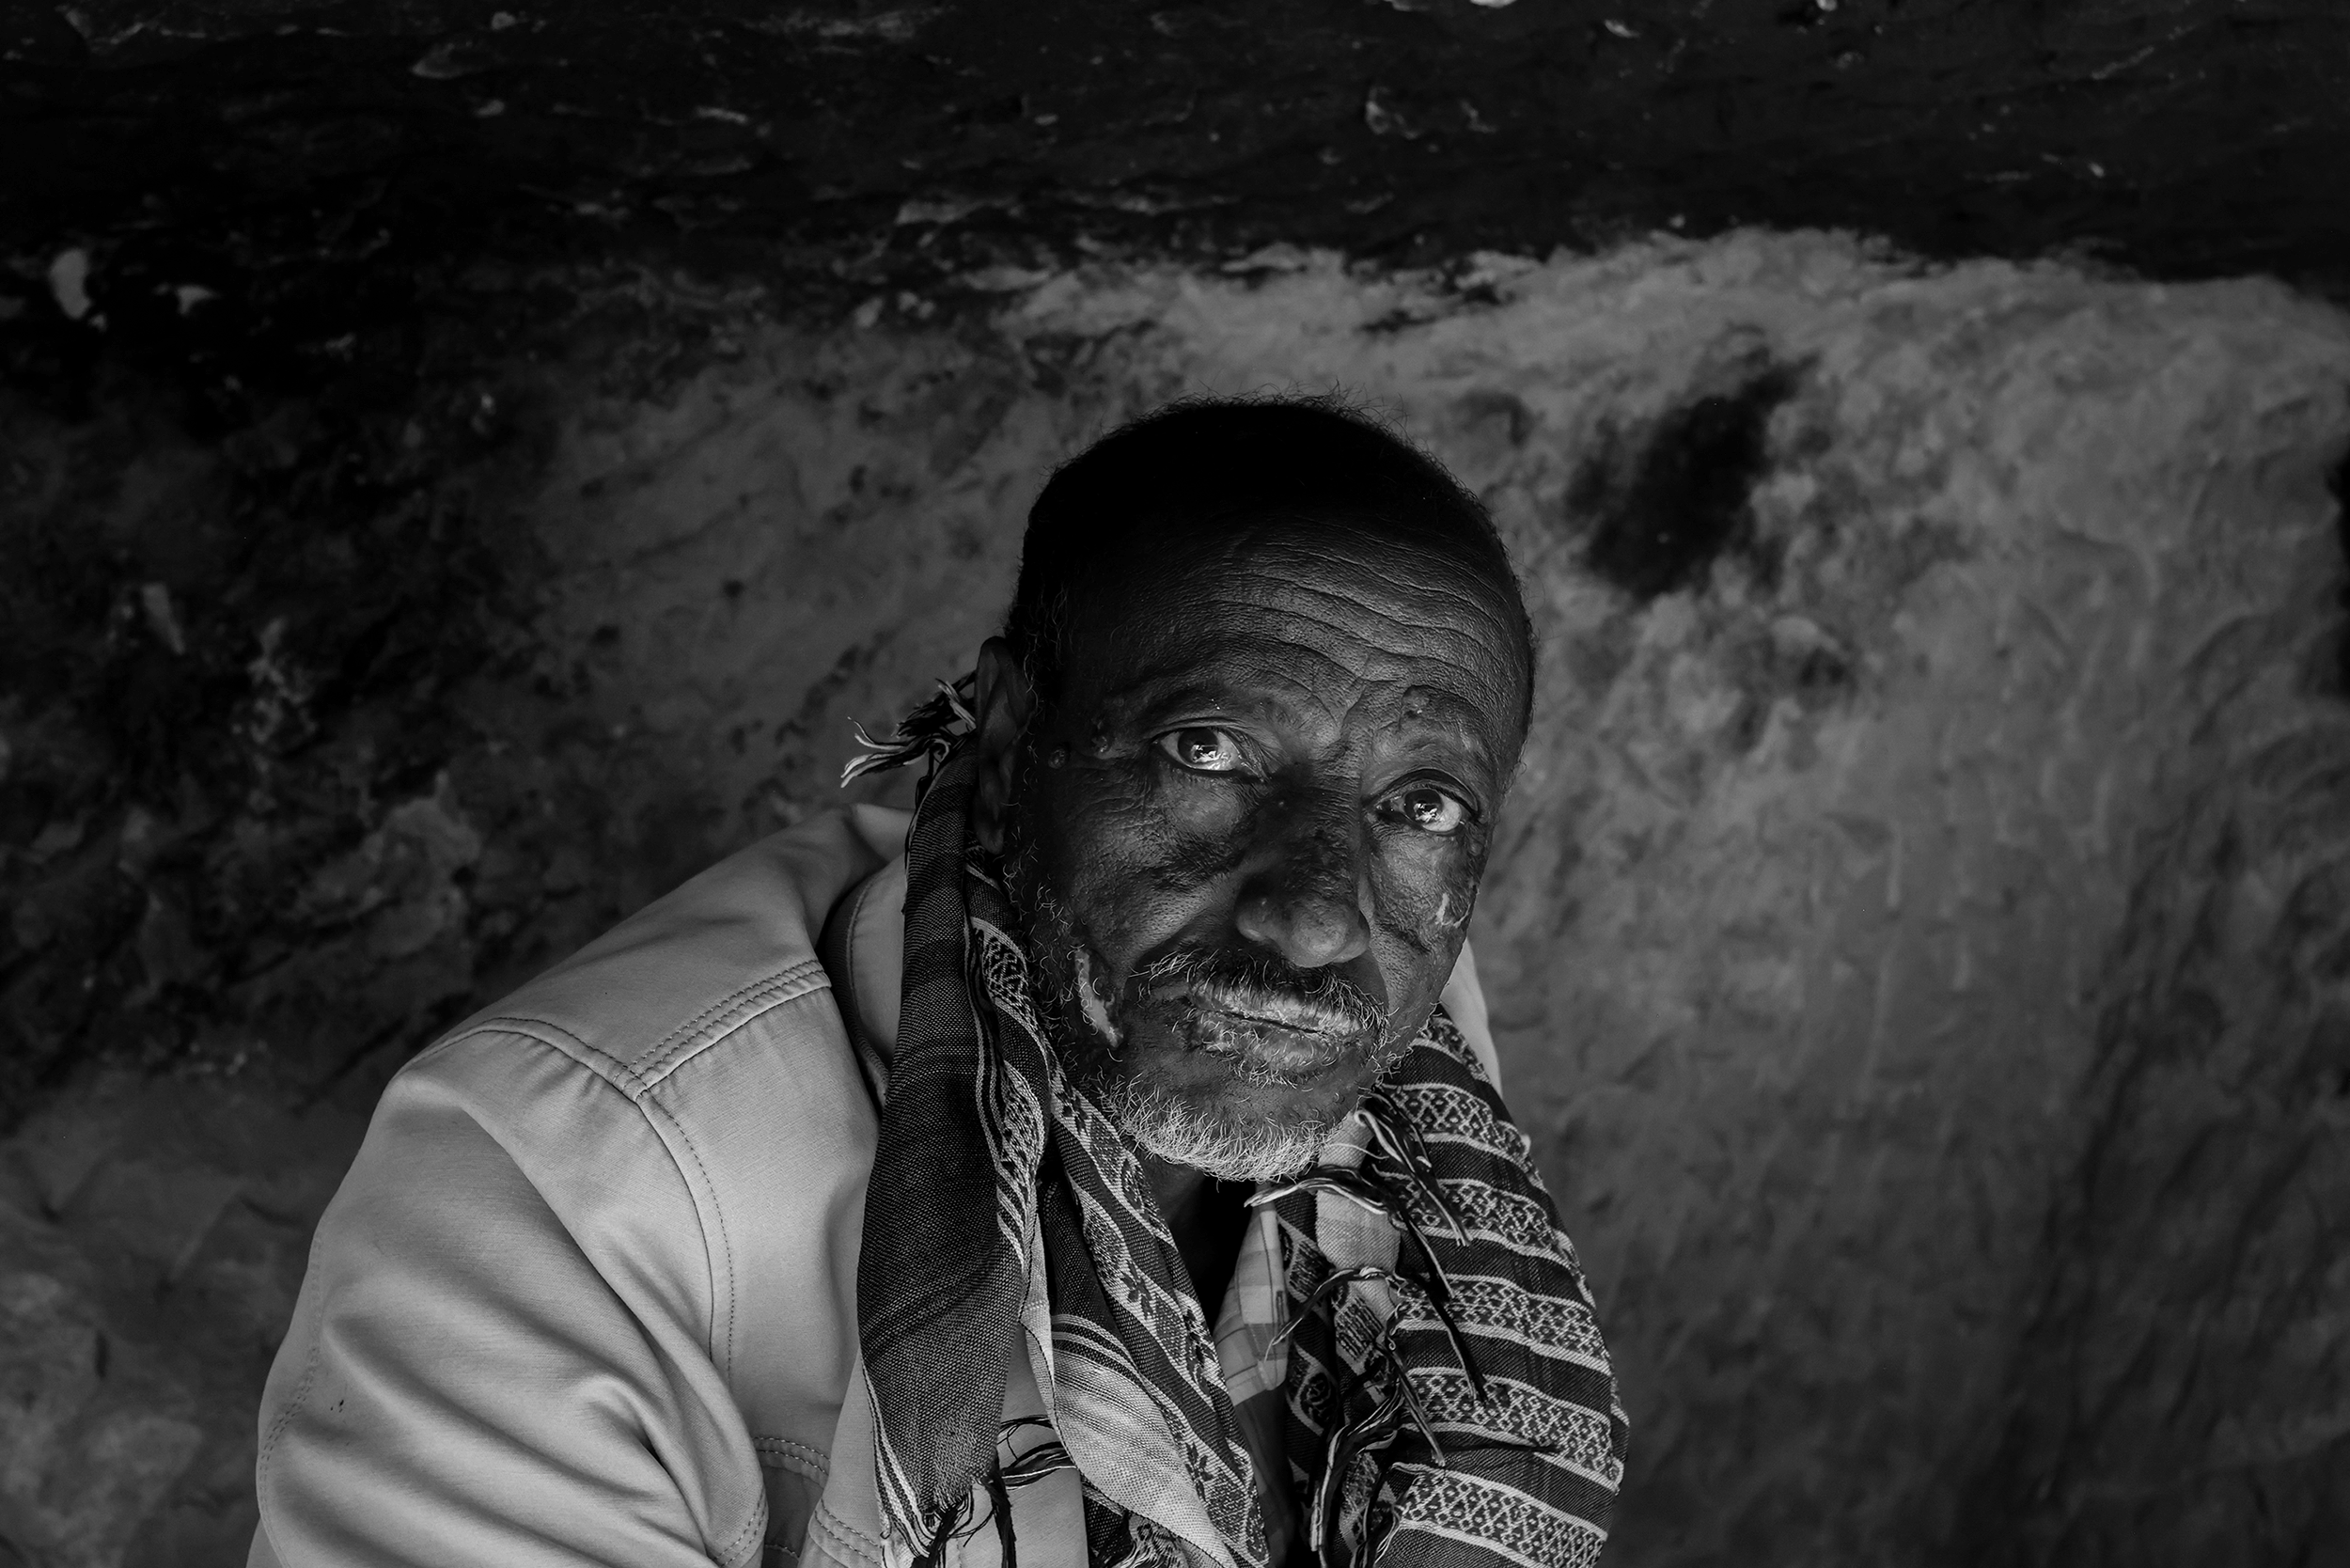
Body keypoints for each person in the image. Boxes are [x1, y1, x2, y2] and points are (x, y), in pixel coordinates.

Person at [247, 398, 1627, 1568]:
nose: (1317, 918)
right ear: (1013, 732)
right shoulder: (566, 1190)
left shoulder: (1408, 1059)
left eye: (1424, 805)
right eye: (1209, 750)